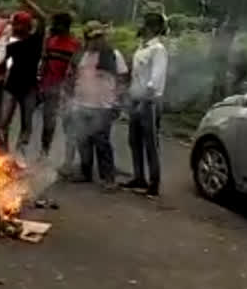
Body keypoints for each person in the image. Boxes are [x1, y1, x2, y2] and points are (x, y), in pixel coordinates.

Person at [66, 21, 128, 190]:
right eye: (94, 37)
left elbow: (122, 79)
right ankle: (85, 173)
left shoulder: (113, 54)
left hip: (103, 106)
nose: (98, 41)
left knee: (102, 142)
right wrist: (70, 99)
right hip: (81, 104)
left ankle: (109, 178)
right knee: (83, 140)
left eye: (100, 37)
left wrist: (117, 102)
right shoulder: (81, 55)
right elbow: (72, 77)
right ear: (87, 38)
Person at [121, 12, 169, 199]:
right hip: (136, 98)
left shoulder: (157, 49)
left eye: (144, 24)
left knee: (150, 143)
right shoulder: (142, 47)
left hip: (148, 101)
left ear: (153, 28)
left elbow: (156, 78)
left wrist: (144, 100)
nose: (140, 26)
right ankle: (139, 177)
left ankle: (154, 183)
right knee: (134, 141)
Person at [0, 0, 46, 155]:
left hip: (29, 88)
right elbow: (0, 64)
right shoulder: (12, 45)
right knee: (2, 123)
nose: (15, 27)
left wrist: (28, 2)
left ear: (27, 26)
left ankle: (20, 152)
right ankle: (3, 154)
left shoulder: (36, 40)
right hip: (11, 86)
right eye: (14, 24)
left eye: (18, 24)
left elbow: (43, 18)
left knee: (27, 124)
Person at [39, 12, 81, 160]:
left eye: (57, 24)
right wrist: (41, 84)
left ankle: (68, 159)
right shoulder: (50, 41)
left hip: (67, 90)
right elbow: (44, 63)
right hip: (50, 87)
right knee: (48, 123)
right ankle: (44, 153)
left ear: (65, 26)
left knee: (68, 124)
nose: (54, 27)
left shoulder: (75, 44)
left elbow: (77, 69)